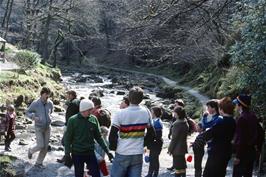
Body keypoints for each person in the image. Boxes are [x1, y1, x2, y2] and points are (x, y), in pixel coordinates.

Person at [109, 86, 155, 177]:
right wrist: (143, 143)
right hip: (137, 153)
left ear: (129, 98)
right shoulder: (146, 112)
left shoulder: (120, 113)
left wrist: (114, 147)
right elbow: (152, 134)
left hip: (122, 152)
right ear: (141, 99)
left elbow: (112, 134)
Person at [64, 99, 113, 177]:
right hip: (77, 153)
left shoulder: (93, 119)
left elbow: (99, 137)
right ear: (83, 109)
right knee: (79, 175)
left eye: (92, 109)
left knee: (96, 174)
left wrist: (108, 151)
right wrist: (67, 154)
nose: (91, 111)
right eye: (89, 110)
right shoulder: (72, 120)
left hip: (90, 152)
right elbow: (67, 138)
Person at [195, 97, 236, 177]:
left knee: (208, 174)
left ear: (221, 109)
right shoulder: (233, 121)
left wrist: (197, 140)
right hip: (226, 151)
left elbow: (209, 133)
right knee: (221, 173)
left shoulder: (221, 121)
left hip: (217, 153)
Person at [193, 99, 222, 177]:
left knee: (211, 169)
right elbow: (202, 127)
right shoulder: (213, 117)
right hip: (210, 144)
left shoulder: (218, 118)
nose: (207, 109)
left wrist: (204, 118)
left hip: (215, 146)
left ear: (214, 108)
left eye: (208, 107)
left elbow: (207, 126)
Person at [26, 87, 54, 168]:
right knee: (40, 145)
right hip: (39, 127)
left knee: (45, 147)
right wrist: (33, 117)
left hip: (48, 127)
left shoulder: (50, 103)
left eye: (48, 95)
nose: (47, 96)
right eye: (46, 94)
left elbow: (51, 112)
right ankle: (31, 150)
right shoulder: (35, 103)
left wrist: (50, 118)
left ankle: (39, 163)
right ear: (42, 94)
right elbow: (27, 112)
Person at [232, 94, 258, 177]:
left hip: (242, 153)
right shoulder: (253, 116)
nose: (235, 106)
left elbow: (241, 139)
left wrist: (238, 156)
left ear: (240, 105)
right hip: (251, 152)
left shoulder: (242, 118)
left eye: (236, 104)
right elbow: (258, 133)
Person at [57, 90, 80, 163]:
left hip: (70, 125)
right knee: (71, 142)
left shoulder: (73, 103)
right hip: (76, 125)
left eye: (68, 95)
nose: (67, 96)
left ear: (71, 95)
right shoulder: (78, 101)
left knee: (65, 142)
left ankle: (67, 158)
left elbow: (69, 116)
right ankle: (68, 157)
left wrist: (67, 126)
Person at [168, 107, 189, 177]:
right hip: (183, 147)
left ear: (178, 114)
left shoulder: (177, 124)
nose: (174, 114)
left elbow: (174, 139)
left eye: (175, 113)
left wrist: (170, 149)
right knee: (182, 167)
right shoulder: (185, 122)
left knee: (177, 168)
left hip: (177, 149)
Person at [145, 106, 163, 177]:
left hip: (156, 143)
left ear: (155, 113)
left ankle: (155, 174)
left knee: (154, 159)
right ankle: (150, 173)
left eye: (151, 112)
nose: (150, 114)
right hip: (153, 143)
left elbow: (157, 135)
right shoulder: (154, 121)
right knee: (152, 158)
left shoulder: (157, 122)